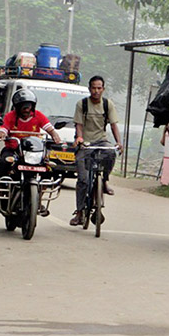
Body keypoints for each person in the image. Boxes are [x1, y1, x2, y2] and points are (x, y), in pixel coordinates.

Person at [70, 76, 123, 226]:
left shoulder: (107, 104)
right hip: (85, 143)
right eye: (94, 88)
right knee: (83, 180)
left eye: (99, 88)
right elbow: (79, 125)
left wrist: (119, 142)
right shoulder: (82, 104)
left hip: (101, 141)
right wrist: (80, 138)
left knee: (111, 153)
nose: (96, 91)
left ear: (103, 89)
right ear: (89, 89)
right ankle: (79, 212)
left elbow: (113, 125)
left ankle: (104, 180)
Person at [0, 88, 62, 178]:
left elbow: (49, 128)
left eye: (28, 107)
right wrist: (1, 134)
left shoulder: (38, 115)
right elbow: (4, 129)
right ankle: (3, 184)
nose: (26, 110)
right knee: (5, 161)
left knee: (48, 165)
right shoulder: (10, 116)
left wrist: (55, 135)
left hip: (34, 150)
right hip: (14, 150)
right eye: (23, 107)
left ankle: (44, 184)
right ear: (17, 107)